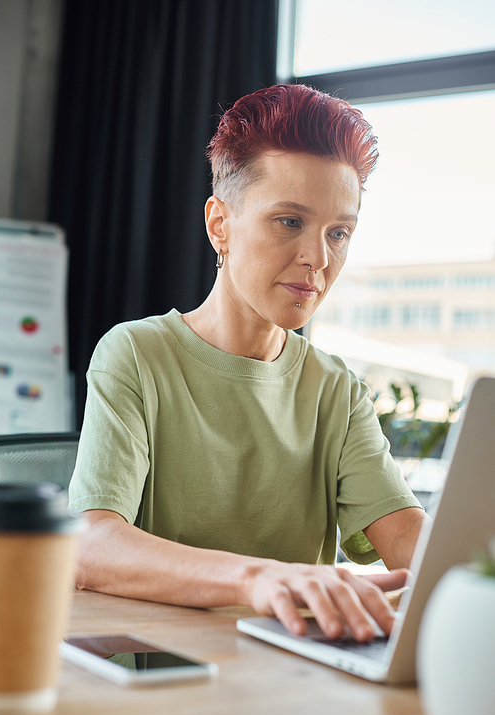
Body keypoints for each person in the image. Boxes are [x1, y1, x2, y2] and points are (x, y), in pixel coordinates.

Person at [69, 84, 426, 642]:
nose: (318, 259)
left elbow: (407, 537)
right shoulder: (135, 355)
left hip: (294, 685)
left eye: (339, 232)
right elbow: (91, 545)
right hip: (170, 683)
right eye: (289, 222)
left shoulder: (336, 390)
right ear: (220, 225)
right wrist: (257, 579)